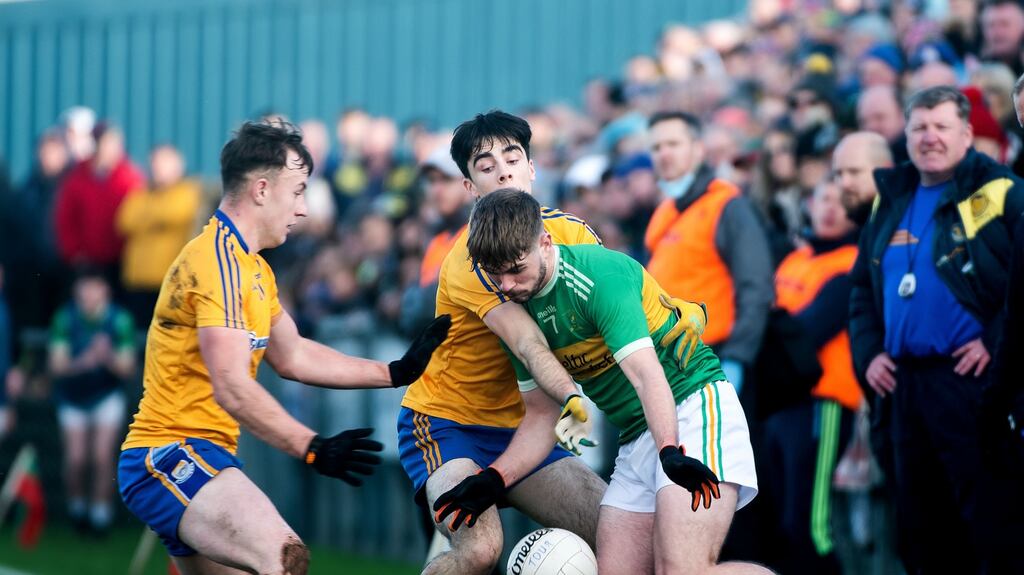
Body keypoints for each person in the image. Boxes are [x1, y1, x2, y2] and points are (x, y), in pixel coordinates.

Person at [117, 121, 450, 575]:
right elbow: (231, 385)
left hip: (206, 457)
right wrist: (311, 447)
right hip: (170, 456)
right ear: (260, 189)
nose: (303, 209)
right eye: (297, 191)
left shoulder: (252, 269)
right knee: (284, 556)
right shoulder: (216, 265)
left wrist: (394, 371)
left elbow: (294, 355)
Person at [438, 189, 765, 575]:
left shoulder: (599, 277)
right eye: (496, 274)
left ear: (545, 242)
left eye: (516, 269)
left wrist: (670, 450)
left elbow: (646, 377)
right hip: (638, 433)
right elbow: (542, 415)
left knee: (682, 569)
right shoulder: (516, 312)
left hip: (691, 407)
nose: (507, 285)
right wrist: (494, 480)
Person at [397, 111, 607, 575]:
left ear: (532, 168)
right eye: (486, 165)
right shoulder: (466, 258)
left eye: (512, 158)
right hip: (447, 424)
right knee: (480, 551)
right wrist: (573, 397)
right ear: (469, 186)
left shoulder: (575, 235)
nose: (504, 170)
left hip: (527, 428)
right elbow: (529, 343)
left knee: (618, 532)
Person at [849, 86, 1024, 574]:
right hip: (904, 386)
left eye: (942, 126)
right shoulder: (891, 199)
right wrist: (868, 353)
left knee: (986, 526)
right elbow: (862, 289)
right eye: (919, 127)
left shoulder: (1001, 190)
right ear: (904, 135)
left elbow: (1021, 285)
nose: (930, 137)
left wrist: (993, 340)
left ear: (968, 133)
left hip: (970, 385)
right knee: (920, 530)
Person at [760, 180, 862, 575]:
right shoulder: (794, 261)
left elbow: (808, 330)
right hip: (784, 403)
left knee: (811, 524)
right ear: (810, 203)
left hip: (825, 401)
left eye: (841, 201)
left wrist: (775, 328)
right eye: (823, 197)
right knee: (783, 521)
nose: (831, 208)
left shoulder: (850, 262)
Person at [644, 111, 773, 396]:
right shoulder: (665, 211)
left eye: (673, 144)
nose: (664, 154)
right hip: (669, 363)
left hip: (712, 358)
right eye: (656, 147)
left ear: (698, 149)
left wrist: (738, 356)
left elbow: (756, 285)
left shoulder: (726, 204)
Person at [48, 267, 136, 534]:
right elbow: (57, 366)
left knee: (101, 457)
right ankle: (77, 508)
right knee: (76, 458)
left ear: (104, 291)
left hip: (106, 396)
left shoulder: (119, 320)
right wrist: (83, 362)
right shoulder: (65, 318)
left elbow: (128, 368)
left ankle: (100, 516)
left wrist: (107, 357)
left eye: (93, 288)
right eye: (83, 288)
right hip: (72, 397)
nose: (88, 294)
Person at [116, 144, 202, 328]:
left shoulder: (187, 191)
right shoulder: (139, 192)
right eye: (155, 162)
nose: (158, 167)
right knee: (138, 334)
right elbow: (125, 221)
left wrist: (146, 218)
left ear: (178, 165)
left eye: (164, 162)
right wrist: (155, 219)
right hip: (137, 280)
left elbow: (174, 213)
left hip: (169, 281)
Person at [832, 131, 894, 228]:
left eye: (854, 172)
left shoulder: (904, 226)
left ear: (885, 170)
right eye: (838, 174)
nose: (845, 183)